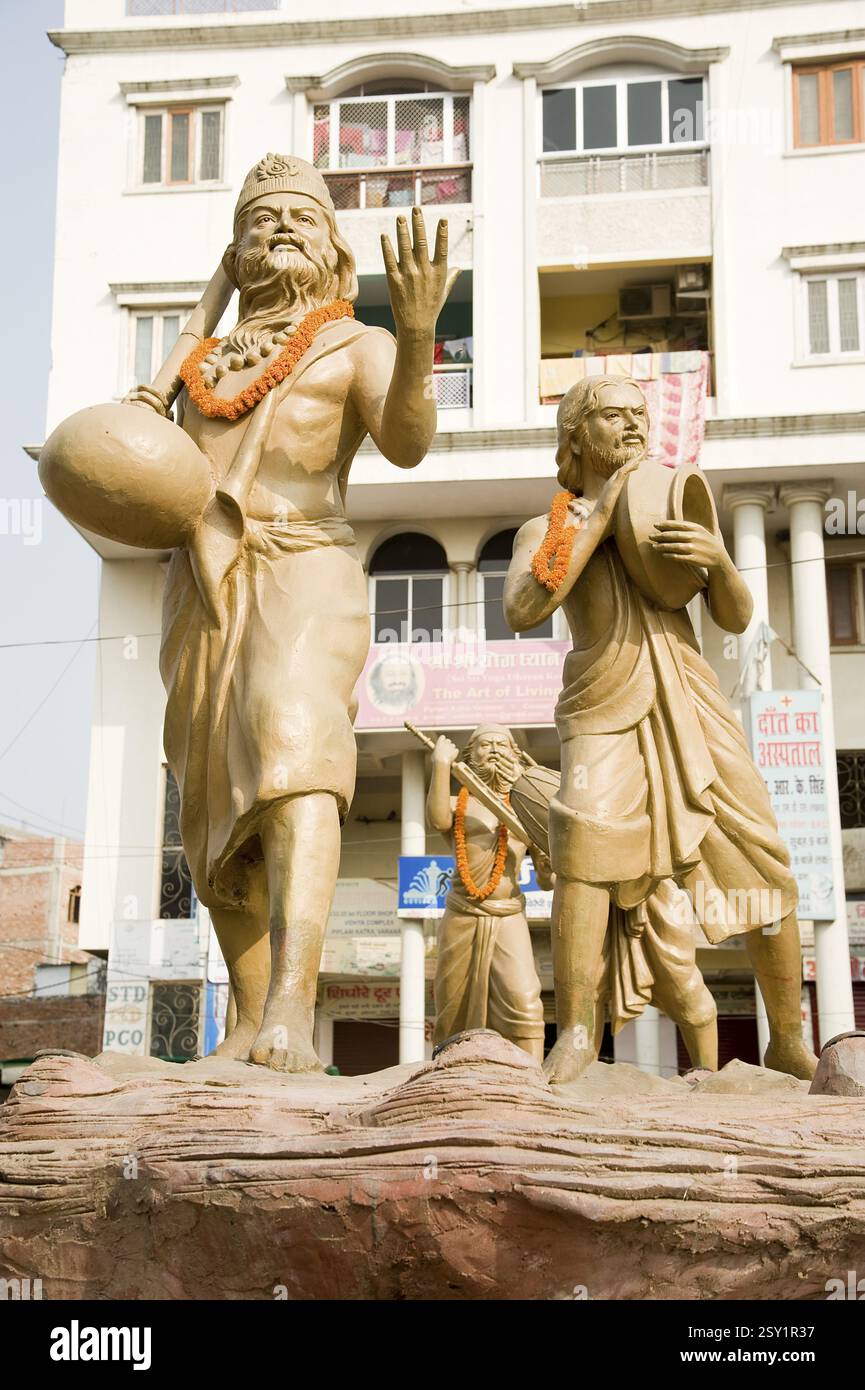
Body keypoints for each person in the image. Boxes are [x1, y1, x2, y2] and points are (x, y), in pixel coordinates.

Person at [127, 153, 454, 1072]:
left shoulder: (355, 342)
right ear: (233, 252)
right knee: (207, 804)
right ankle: (244, 1017)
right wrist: (205, 308)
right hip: (201, 581)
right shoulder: (202, 364)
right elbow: (137, 441)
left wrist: (419, 332)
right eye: (256, 220)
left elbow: (408, 443)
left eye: (296, 218)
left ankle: (293, 1009)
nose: (276, 231)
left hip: (306, 561)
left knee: (292, 745)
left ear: (330, 243)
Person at [504, 375, 818, 1083]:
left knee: (760, 856)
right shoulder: (546, 529)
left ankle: (788, 1037)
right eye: (613, 416)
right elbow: (522, 608)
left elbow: (734, 618)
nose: (633, 427)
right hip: (602, 700)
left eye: (639, 417)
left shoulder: (671, 513)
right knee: (584, 847)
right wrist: (600, 511)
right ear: (577, 436)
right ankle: (578, 1032)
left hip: (687, 692)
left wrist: (718, 564)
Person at [427, 725, 549, 1060]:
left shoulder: (529, 809)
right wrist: (440, 765)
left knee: (524, 998)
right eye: (484, 745)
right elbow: (437, 820)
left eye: (502, 744)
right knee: (452, 1004)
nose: (494, 750)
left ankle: (533, 1078)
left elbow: (548, 876)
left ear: (515, 755)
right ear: (469, 754)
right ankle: (447, 1074)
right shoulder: (458, 804)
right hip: (462, 912)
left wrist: (549, 866)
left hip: (508, 913)